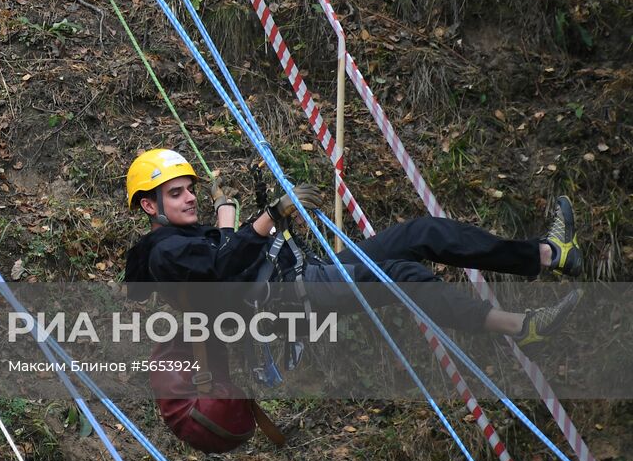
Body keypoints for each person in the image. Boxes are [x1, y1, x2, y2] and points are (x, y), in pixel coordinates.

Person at [123, 148, 583, 345]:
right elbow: (222, 271)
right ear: (149, 206)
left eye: (190, 189)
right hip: (287, 299)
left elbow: (224, 247)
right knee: (400, 275)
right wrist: (272, 216)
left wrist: (227, 210)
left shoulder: (185, 239)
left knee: (421, 232)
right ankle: (522, 328)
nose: (190, 198)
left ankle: (546, 254)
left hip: (306, 275)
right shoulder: (163, 252)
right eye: (177, 193)